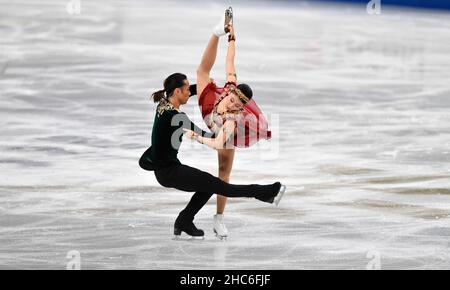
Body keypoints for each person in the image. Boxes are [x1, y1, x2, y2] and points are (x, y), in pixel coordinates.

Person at [139, 72, 286, 239]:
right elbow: (208, 136)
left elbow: (192, 91)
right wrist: (224, 134)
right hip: (168, 171)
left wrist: (206, 87)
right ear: (177, 91)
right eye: (186, 89)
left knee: (208, 185)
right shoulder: (177, 117)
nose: (189, 92)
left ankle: (184, 220)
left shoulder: (164, 103)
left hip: (165, 168)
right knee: (222, 187)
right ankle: (264, 192)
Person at [184, 7, 272, 239]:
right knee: (201, 72)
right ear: (231, 92)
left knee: (224, 174)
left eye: (240, 105)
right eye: (235, 100)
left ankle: (219, 218)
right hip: (209, 106)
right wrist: (229, 34)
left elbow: (217, 143)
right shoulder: (228, 87)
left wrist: (198, 137)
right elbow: (230, 57)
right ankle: (215, 31)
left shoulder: (233, 121)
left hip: (220, 129)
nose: (236, 106)